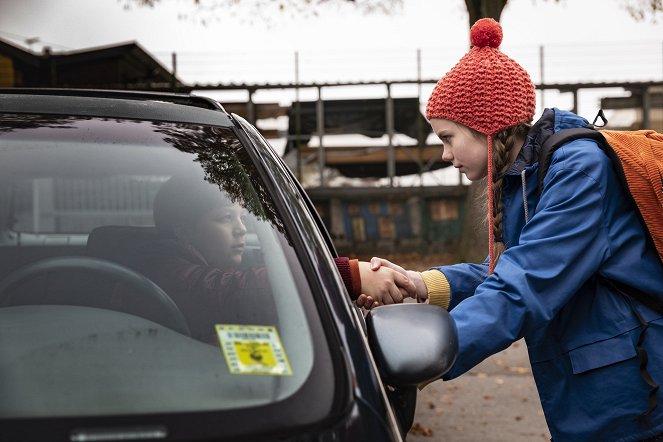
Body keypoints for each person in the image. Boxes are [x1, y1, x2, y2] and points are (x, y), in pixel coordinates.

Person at [359, 18, 663, 442]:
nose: (445, 154)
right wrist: (422, 284)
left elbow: (525, 286)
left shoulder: (579, 171)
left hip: (633, 393)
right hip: (593, 388)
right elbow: (506, 269)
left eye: (448, 137)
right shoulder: (524, 175)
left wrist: (424, 352)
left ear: (486, 127)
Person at [111, 173, 414, 343]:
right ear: (183, 229)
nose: (241, 230)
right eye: (225, 218)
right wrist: (349, 276)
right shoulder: (157, 264)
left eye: (243, 218)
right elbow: (225, 293)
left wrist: (335, 298)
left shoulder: (211, 264)